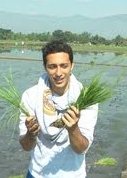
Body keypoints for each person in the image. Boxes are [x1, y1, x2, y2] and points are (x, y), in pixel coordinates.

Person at [19, 40, 98, 178]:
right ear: (45, 67)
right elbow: (26, 147)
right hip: (37, 174)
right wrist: (30, 134)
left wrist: (73, 129)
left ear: (72, 66)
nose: (58, 72)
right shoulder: (31, 96)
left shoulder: (85, 99)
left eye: (64, 66)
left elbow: (81, 149)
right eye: (52, 66)